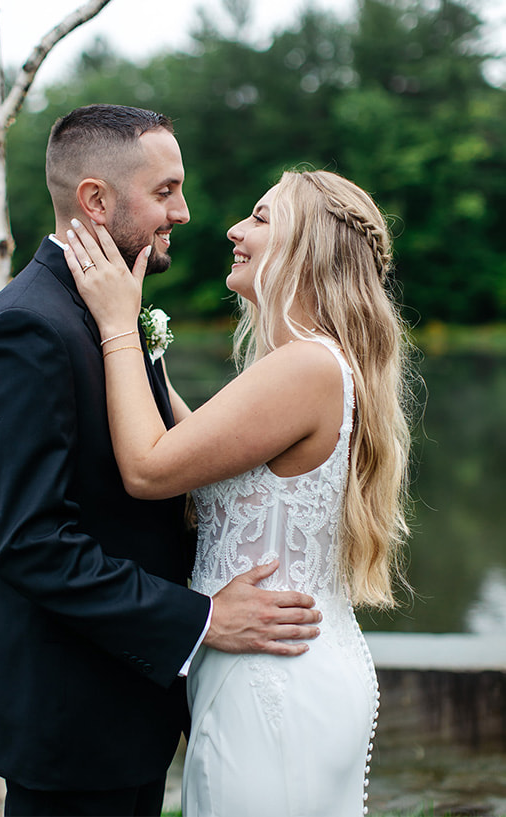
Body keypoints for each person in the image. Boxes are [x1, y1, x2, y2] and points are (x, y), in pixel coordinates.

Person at [0, 103, 322, 817]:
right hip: (72, 722)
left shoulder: (108, 312)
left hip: (127, 705)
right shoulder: (29, 328)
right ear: (96, 199)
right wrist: (202, 619)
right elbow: (28, 543)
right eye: (165, 191)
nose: (183, 212)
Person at [62, 167, 411, 815]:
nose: (234, 229)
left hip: (272, 677)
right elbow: (208, 457)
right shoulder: (312, 362)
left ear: (307, 247)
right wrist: (142, 350)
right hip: (273, 662)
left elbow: (149, 466)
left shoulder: (306, 364)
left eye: (260, 216)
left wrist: (117, 323)